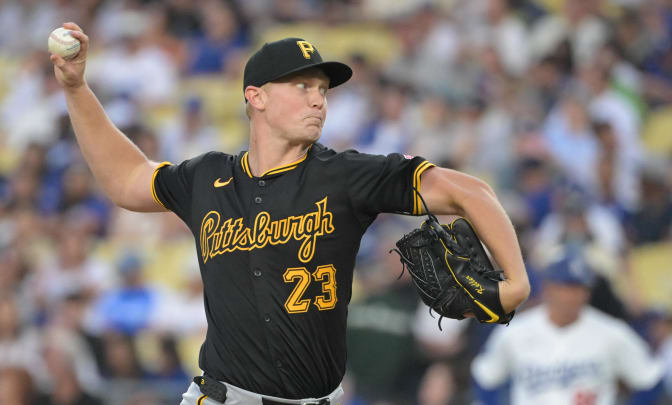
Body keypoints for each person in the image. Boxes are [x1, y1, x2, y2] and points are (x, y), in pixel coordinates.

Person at [50, 22, 530, 405]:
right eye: (302, 85)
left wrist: (516, 280)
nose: (318, 98)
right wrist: (76, 89)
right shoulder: (207, 179)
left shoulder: (345, 175)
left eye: (322, 88)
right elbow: (126, 178)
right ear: (255, 96)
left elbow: (472, 192)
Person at [471, 247, 665, 405]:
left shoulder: (611, 332)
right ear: (548, 288)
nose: (573, 296)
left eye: (579, 288)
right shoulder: (516, 332)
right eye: (566, 287)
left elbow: (651, 380)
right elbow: (485, 378)